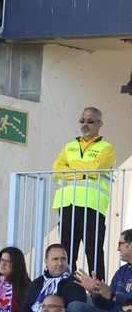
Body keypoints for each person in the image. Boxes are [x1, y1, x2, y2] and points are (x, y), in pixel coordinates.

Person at [54, 107, 115, 279]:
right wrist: (84, 172)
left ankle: (98, 288)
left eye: (90, 120)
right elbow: (57, 169)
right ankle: (67, 286)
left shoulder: (106, 148)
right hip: (67, 204)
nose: (85, 124)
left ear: (100, 124)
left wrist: (71, 167)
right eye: (82, 120)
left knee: (93, 251)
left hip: (92, 205)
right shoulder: (69, 146)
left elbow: (96, 169)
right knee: (66, 251)